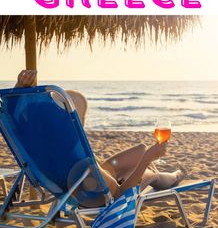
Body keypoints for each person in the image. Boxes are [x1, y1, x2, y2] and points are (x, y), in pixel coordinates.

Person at [15, 70, 185, 202]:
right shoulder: (75, 155)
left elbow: (14, 119)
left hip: (89, 176)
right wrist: (147, 159)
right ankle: (171, 177)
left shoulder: (38, 143)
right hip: (92, 190)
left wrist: (19, 88)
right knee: (148, 169)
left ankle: (157, 175)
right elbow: (118, 196)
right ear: (75, 123)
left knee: (141, 149)